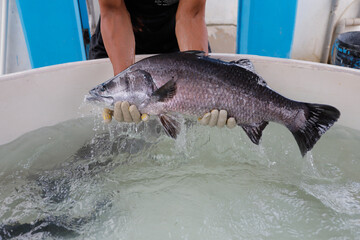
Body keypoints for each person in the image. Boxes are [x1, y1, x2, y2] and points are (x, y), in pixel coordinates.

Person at [89, 0, 236, 128]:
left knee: (196, 130)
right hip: (118, 45)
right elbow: (113, 11)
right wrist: (124, 90)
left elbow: (191, 15)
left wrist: (205, 90)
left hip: (179, 46)